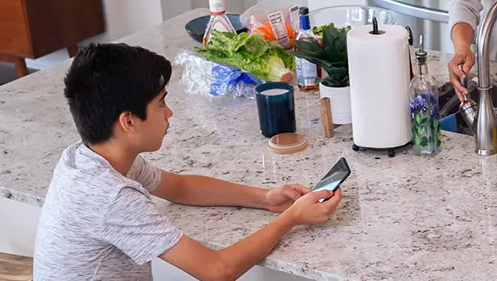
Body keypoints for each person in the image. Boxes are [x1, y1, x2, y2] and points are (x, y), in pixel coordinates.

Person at [32, 43, 342, 281]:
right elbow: (217, 271)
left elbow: (180, 187)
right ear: (128, 121)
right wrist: (291, 220)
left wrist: (265, 198)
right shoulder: (112, 197)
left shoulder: (90, 156)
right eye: (161, 103)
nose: (170, 113)